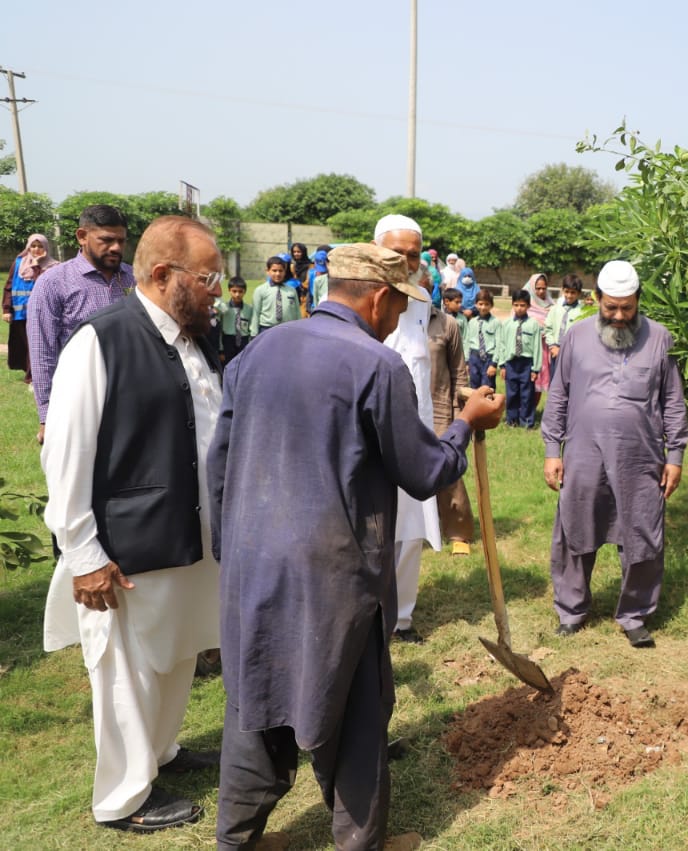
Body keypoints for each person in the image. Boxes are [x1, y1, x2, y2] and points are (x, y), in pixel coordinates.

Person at [210, 244, 505, 849]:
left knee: (254, 699)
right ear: (380, 298)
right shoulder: (376, 365)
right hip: (334, 573)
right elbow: (424, 471)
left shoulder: (258, 350)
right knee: (358, 710)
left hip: (253, 562)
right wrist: (466, 423)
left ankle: (237, 840)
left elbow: (221, 462)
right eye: (400, 307)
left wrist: (232, 547)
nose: (398, 320)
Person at [41, 216, 226, 833]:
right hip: (127, 548)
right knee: (128, 668)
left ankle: (160, 752)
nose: (217, 292)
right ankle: (122, 799)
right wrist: (83, 554)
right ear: (164, 274)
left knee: (176, 652)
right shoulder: (102, 340)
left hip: (189, 536)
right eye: (207, 280)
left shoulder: (196, 338)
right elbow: (67, 453)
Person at [541, 260, 688, 648]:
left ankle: (635, 614)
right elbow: (558, 394)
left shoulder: (661, 338)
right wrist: (552, 450)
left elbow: (673, 401)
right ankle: (571, 609)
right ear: (596, 299)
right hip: (583, 451)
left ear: (638, 300)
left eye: (627, 308)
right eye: (611, 308)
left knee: (641, 528)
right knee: (576, 525)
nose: (619, 316)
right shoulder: (575, 336)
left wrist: (675, 456)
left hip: (640, 456)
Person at [373, 214, 442, 642]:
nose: (405, 261)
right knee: (370, 524)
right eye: (396, 252)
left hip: (415, 428)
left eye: (413, 254)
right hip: (371, 427)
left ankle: (401, 618)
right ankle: (368, 611)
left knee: (411, 527)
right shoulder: (357, 294)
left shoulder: (421, 299)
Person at [27, 204, 133, 444]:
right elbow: (42, 353)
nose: (116, 247)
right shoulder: (53, 283)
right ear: (82, 236)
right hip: (78, 402)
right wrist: (47, 416)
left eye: (121, 240)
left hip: (131, 402)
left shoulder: (136, 280)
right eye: (106, 240)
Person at [427, 281, 475, 557]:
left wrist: (461, 414)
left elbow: (459, 372)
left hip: (439, 407)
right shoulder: (394, 320)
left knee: (447, 468)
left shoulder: (447, 324)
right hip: (403, 406)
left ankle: (459, 532)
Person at [4, 233, 58, 384]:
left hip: (41, 313)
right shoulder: (19, 262)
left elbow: (42, 283)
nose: (36, 249)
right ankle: (29, 373)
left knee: (37, 345)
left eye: (40, 246)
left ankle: (32, 377)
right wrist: (6, 309)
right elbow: (9, 285)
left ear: (46, 248)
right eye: (33, 246)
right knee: (23, 345)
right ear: (28, 247)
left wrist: (37, 264)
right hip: (20, 313)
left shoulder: (53, 266)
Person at [497, 288, 543, 428]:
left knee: (527, 394)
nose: (519, 308)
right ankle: (512, 420)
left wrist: (535, 369)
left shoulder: (533, 324)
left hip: (526, 364)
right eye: (516, 305)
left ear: (528, 306)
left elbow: (537, 347)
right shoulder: (507, 324)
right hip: (511, 363)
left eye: (522, 305)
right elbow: (502, 344)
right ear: (512, 305)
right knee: (511, 393)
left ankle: (527, 421)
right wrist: (502, 365)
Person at [543, 273, 587, 382]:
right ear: (562, 290)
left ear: (579, 293)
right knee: (555, 382)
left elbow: (584, 334)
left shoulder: (582, 311)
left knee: (571, 382)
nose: (569, 295)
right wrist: (553, 346)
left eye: (573, 293)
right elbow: (548, 329)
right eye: (567, 292)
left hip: (573, 353)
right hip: (555, 352)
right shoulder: (555, 309)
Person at [523, 272, 553, 408]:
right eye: (538, 288)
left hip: (543, 350)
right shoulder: (523, 304)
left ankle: (532, 411)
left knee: (538, 382)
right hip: (527, 350)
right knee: (524, 381)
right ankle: (521, 411)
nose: (541, 291)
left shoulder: (551, 305)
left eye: (543, 288)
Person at [249, 256, 300, 335]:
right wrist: (254, 333)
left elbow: (297, 312)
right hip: (266, 329)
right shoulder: (260, 290)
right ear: (268, 271)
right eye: (274, 270)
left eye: (280, 271)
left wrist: (298, 330)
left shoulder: (291, 291)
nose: (278, 274)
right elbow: (255, 314)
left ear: (285, 272)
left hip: (287, 329)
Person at [463, 289, 499, 389]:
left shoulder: (496, 323)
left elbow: (499, 344)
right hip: (474, 358)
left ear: (491, 305)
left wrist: (494, 364)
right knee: (474, 387)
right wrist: (467, 362)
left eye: (486, 304)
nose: (483, 307)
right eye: (480, 304)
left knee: (487, 388)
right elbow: (467, 342)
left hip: (488, 358)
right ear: (476, 304)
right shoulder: (472, 322)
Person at [214, 277, 254, 363]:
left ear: (245, 292)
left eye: (240, 291)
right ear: (229, 291)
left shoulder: (249, 309)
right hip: (228, 341)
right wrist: (221, 350)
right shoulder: (224, 308)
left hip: (243, 341)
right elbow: (219, 330)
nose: (237, 294)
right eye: (234, 291)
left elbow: (251, 328)